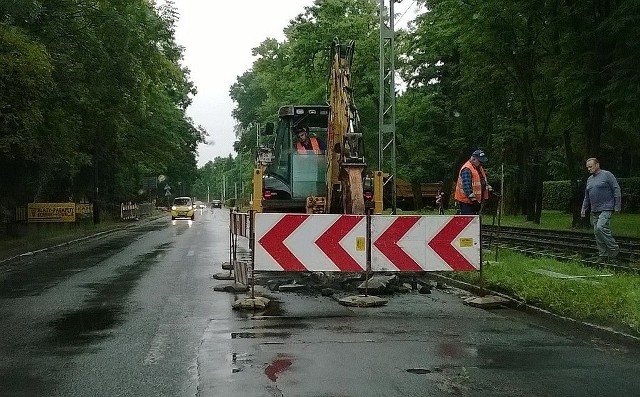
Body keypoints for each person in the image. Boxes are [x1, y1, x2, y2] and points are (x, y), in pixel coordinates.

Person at [581, 157, 621, 262]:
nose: (589, 169)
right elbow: (587, 196)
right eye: (587, 167)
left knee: (600, 227)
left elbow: (616, 189)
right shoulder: (589, 180)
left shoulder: (607, 175)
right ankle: (603, 254)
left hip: (607, 207)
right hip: (595, 209)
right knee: (597, 232)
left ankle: (613, 248)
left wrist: (617, 206)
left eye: (590, 166)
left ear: (597, 165)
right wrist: (583, 208)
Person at [454, 149, 491, 215]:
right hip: (467, 202)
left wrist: (488, 187)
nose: (481, 163)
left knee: (474, 222)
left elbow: (481, 181)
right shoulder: (467, 169)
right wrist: (474, 201)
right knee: (467, 221)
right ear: (474, 159)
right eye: (480, 161)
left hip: (475, 201)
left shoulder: (478, 167)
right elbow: (467, 188)